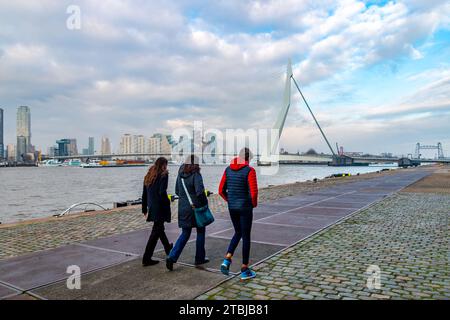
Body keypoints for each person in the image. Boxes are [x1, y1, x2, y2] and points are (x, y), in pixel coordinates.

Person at [218, 147, 258, 280]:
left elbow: (220, 190)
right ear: (247, 158)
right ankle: (245, 269)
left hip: (232, 207)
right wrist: (253, 204)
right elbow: (253, 193)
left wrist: (230, 201)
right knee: (246, 236)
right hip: (245, 208)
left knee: (237, 232)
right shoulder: (250, 171)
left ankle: (227, 259)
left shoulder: (228, 169)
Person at [166, 155, 210, 271]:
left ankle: (172, 257)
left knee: (185, 233)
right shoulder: (196, 174)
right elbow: (200, 192)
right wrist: (205, 203)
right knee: (200, 231)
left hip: (183, 208)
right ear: (196, 164)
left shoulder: (180, 173)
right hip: (195, 208)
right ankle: (199, 258)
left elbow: (177, 190)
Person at [141, 157, 173, 266]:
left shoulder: (149, 175)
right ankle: (146, 258)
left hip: (152, 207)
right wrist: (167, 201)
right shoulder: (164, 175)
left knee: (159, 229)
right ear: (164, 164)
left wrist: (144, 208)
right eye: (166, 164)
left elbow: (144, 194)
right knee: (155, 232)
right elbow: (162, 192)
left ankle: (168, 248)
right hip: (160, 207)